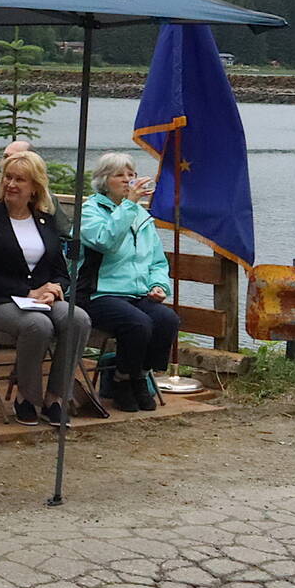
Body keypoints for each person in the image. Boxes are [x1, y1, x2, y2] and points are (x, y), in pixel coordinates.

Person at [0, 150, 92, 426]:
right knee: (38, 325)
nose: (11, 184)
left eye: (19, 180)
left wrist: (55, 289)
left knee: (77, 318)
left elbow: (60, 270)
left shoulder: (44, 220)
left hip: (38, 300)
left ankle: (56, 398)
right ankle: (26, 397)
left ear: (35, 186)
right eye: (8, 178)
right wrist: (27, 291)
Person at [77, 151, 178, 412]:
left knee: (167, 320)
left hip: (135, 293)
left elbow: (157, 261)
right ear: (103, 181)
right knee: (138, 324)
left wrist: (159, 285)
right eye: (119, 175)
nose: (127, 180)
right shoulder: (90, 211)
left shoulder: (142, 218)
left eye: (131, 174)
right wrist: (129, 206)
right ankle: (121, 380)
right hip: (97, 293)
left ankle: (138, 376)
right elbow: (106, 241)